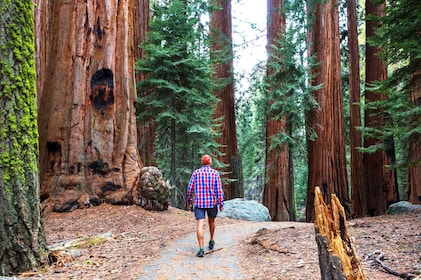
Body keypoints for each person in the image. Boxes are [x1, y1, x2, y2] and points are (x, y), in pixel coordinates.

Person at [186, 154, 224, 257]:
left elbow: (190, 188)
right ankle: (211, 240)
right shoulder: (215, 173)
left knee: (200, 224)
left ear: (202, 163)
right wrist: (221, 203)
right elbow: (219, 190)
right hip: (212, 202)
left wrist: (189, 200)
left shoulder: (196, 173)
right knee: (211, 221)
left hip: (199, 203)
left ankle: (201, 249)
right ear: (210, 162)